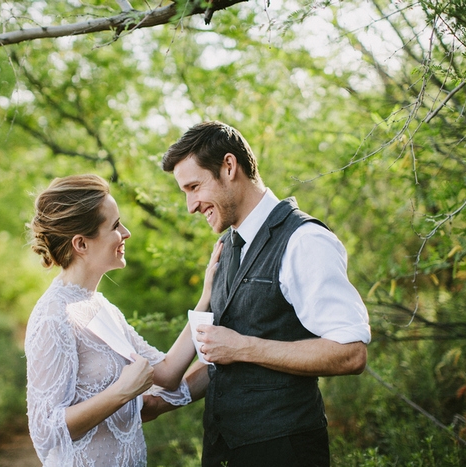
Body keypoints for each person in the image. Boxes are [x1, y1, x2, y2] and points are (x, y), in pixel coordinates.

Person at [147, 121, 371, 467]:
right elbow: (223, 358)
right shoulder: (226, 246)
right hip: (223, 451)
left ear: (229, 166)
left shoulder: (304, 241)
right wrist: (164, 402)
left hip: (284, 452)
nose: (190, 205)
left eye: (194, 187)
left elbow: (350, 353)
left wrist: (244, 347)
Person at [24, 174, 222, 467]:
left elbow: (167, 374)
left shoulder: (100, 307)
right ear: (81, 243)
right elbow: (45, 431)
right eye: (115, 226)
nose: (126, 232)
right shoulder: (53, 318)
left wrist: (207, 298)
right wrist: (122, 392)